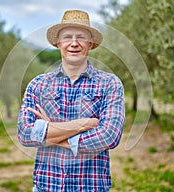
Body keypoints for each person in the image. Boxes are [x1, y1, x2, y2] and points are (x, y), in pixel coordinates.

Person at [17, 10, 125, 192]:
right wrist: (84, 124)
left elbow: (109, 137)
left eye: (81, 37)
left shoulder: (109, 84)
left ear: (90, 44)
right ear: (58, 43)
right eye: (67, 37)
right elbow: (25, 134)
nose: (74, 43)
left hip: (91, 187)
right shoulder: (38, 85)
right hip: (46, 186)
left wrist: (49, 130)